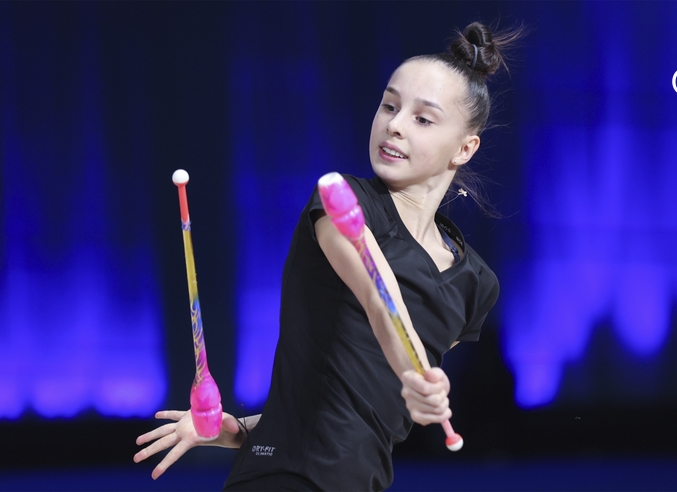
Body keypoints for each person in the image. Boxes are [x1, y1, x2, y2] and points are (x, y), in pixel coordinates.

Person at [135, 21, 521, 491]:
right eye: (389, 105)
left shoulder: (475, 284)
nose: (394, 125)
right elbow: (383, 304)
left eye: (422, 118)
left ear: (465, 147)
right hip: (285, 479)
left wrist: (238, 429)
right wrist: (417, 375)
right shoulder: (342, 203)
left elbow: (356, 398)